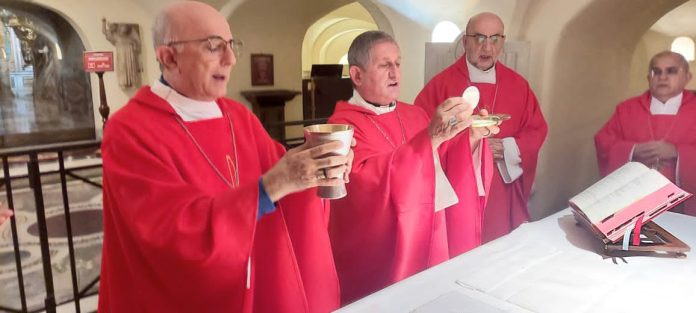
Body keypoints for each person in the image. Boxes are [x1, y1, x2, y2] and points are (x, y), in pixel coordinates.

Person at [98, 2, 352, 312]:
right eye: (214, 47)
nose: (230, 60)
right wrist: (271, 187)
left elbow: (286, 178)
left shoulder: (236, 116)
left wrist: (321, 167)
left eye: (232, 46)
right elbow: (169, 236)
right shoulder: (129, 132)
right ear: (168, 57)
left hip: (253, 286)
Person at [328, 30, 499, 304]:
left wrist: (471, 138)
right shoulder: (342, 126)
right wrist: (429, 139)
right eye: (384, 65)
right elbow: (361, 184)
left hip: (433, 227)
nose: (395, 73)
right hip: (386, 247)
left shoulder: (414, 113)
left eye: (398, 63)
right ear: (357, 76)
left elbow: (443, 162)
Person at [414, 12, 548, 243]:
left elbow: (536, 130)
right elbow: (421, 136)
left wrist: (506, 148)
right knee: (460, 246)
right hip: (458, 186)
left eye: (494, 38)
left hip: (500, 188)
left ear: (503, 43)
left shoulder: (518, 85)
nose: (487, 46)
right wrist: (471, 147)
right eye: (479, 38)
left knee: (499, 250)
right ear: (465, 42)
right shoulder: (441, 85)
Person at [595, 51, 696, 216]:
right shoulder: (627, 109)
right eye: (656, 72)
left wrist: (678, 153)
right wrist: (632, 150)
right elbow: (603, 142)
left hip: (684, 206)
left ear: (687, 77)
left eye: (671, 71)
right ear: (649, 78)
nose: (662, 77)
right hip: (633, 201)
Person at [102, 18, 142, 88]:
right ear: (119, 30)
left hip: (130, 55)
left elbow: (137, 44)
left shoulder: (131, 38)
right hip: (121, 55)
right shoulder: (116, 37)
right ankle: (123, 82)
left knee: (131, 68)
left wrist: (135, 47)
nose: (123, 30)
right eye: (122, 29)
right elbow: (105, 32)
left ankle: (132, 82)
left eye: (125, 29)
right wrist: (103, 22)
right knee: (122, 67)